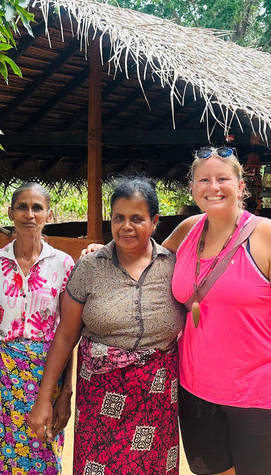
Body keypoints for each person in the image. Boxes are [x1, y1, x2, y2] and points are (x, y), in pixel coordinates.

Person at [165, 146, 271, 475]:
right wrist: (102, 251)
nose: (213, 187)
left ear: (240, 186)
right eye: (203, 180)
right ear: (192, 188)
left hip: (260, 395)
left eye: (222, 179)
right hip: (196, 392)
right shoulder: (187, 231)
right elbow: (146, 262)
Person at [28, 177, 186, 475]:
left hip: (157, 401)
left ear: (154, 222)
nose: (126, 226)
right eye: (119, 218)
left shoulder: (173, 266)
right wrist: (44, 399)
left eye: (137, 218)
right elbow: (65, 336)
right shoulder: (89, 266)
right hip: (100, 401)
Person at [0, 182, 75, 475]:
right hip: (0, 377)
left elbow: (67, 332)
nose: (29, 214)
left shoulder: (64, 265)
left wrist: (66, 393)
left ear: (49, 215)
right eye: (22, 207)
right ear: (11, 212)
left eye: (37, 208)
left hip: (46, 376)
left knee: (44, 454)